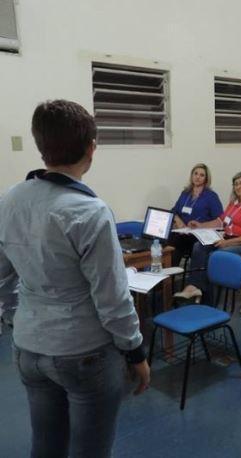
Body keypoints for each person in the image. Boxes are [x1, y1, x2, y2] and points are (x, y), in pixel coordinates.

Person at [0, 100, 149, 456]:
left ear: (41, 146)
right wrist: (135, 352)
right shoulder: (89, 211)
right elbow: (112, 298)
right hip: (83, 354)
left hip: (28, 347)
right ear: (91, 149)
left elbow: (2, 278)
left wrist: (14, 317)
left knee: (46, 445)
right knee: (90, 450)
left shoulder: (10, 200)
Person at [176, 172, 241, 300]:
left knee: (215, 255)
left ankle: (208, 298)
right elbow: (220, 221)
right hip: (227, 239)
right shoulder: (234, 203)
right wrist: (200, 225)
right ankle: (194, 286)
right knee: (199, 246)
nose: (238, 187)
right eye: (235, 184)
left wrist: (227, 243)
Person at [168, 163, 223, 266]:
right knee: (168, 238)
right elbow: (173, 211)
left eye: (202, 175)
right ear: (191, 176)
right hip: (183, 232)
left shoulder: (211, 196)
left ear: (206, 179)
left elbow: (220, 220)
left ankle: (171, 276)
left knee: (176, 242)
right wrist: (178, 220)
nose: (198, 177)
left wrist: (201, 225)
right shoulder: (185, 193)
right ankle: (167, 275)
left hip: (199, 235)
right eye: (195, 174)